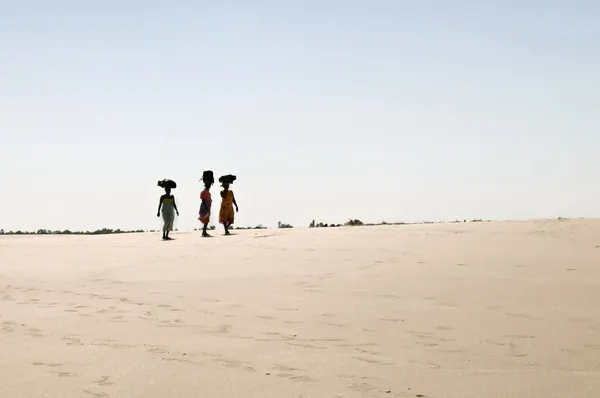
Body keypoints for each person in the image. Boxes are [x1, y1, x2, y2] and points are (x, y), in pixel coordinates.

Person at [198, 171, 214, 237]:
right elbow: (203, 200)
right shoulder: (204, 192)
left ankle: (204, 232)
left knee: (206, 220)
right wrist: (207, 208)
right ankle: (204, 232)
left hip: (207, 207)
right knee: (206, 220)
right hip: (205, 207)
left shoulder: (207, 192)